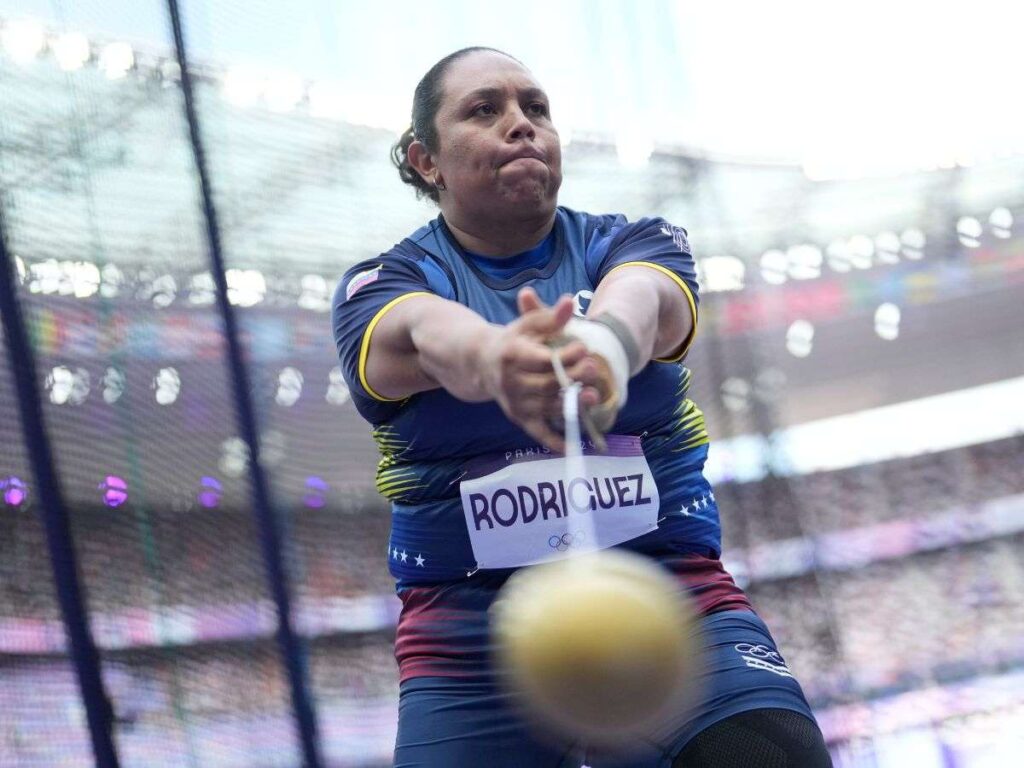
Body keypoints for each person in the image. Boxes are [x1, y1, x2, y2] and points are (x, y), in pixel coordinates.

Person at [332, 46, 832, 768]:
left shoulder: (634, 242)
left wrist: (602, 346)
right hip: (470, 634)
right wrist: (496, 359)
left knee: (771, 755)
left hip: (666, 591)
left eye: (536, 108)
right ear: (425, 160)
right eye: (484, 110)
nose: (521, 124)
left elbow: (644, 301)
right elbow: (423, 334)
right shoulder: (383, 284)